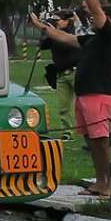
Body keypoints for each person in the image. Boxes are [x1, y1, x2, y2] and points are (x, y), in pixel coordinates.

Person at [29, 0, 111, 196]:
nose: (90, 16)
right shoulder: (91, 40)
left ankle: (110, 184)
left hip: (98, 95)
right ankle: (101, 182)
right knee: (92, 142)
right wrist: (42, 26)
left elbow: (96, 9)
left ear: (108, 20)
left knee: (101, 142)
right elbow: (64, 37)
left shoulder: (109, 36)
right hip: (86, 96)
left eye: (97, 15)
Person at [39, 9, 82, 139]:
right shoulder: (54, 36)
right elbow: (42, 45)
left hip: (75, 72)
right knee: (63, 107)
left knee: (84, 104)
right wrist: (48, 33)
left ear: (67, 21)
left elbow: (65, 44)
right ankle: (67, 132)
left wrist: (55, 33)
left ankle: (90, 132)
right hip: (61, 75)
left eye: (58, 20)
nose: (56, 23)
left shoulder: (72, 34)